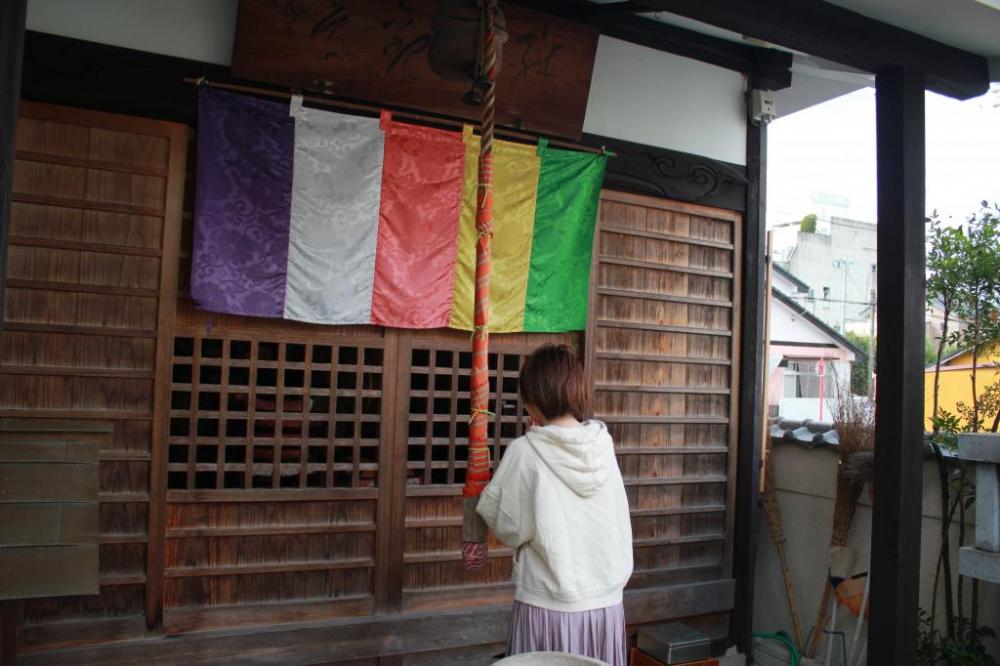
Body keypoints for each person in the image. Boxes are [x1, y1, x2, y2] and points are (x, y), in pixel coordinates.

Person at [477, 344, 633, 666]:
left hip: (548, 606)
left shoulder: (526, 451)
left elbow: (507, 526)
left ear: (533, 399)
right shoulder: (603, 446)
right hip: (605, 606)